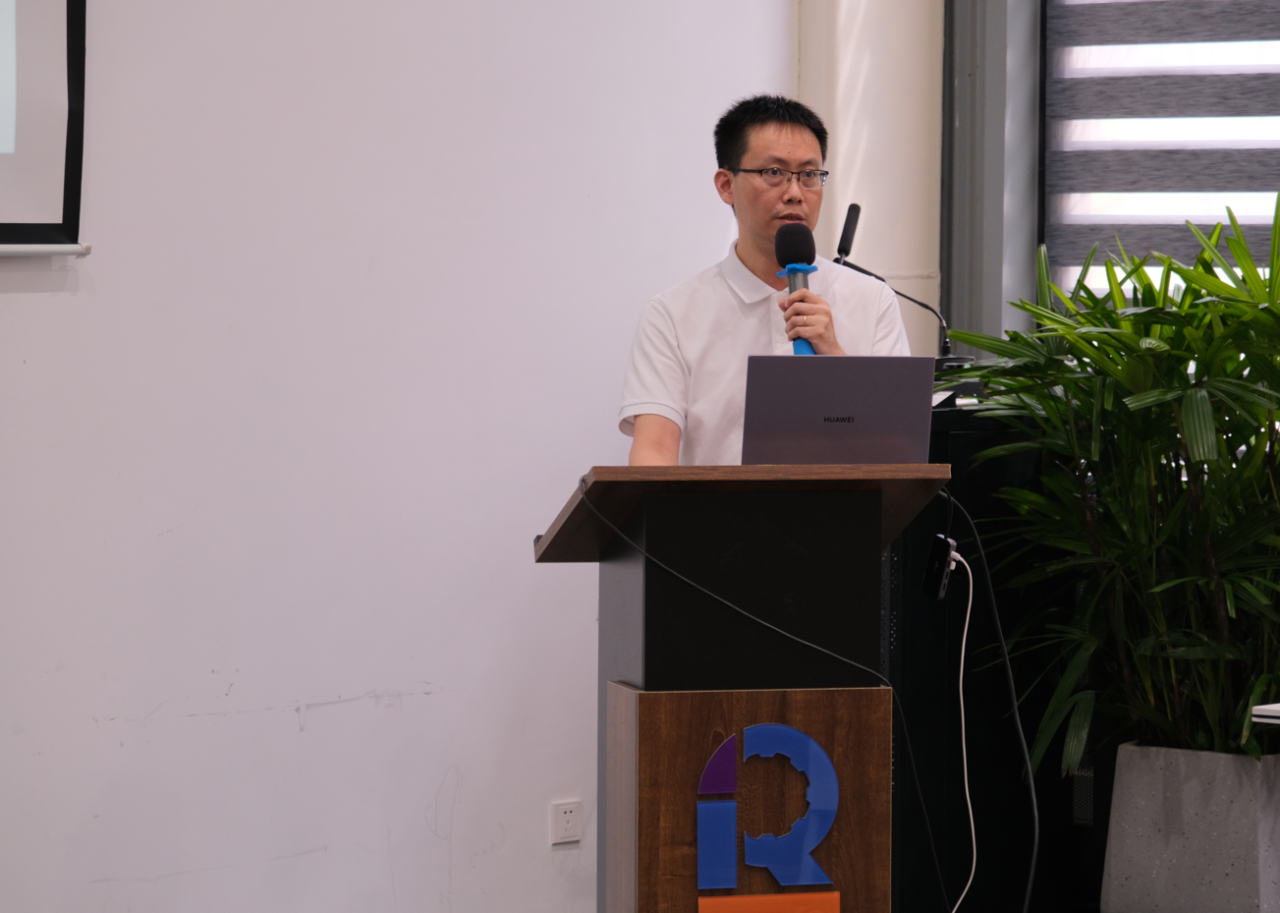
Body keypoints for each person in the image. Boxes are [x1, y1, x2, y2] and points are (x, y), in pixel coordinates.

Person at [618, 95, 911, 466]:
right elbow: (655, 450)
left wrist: (833, 355)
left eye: (809, 175)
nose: (795, 193)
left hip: (846, 505)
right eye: (774, 172)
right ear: (726, 185)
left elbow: (898, 451)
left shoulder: (872, 300)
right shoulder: (672, 315)